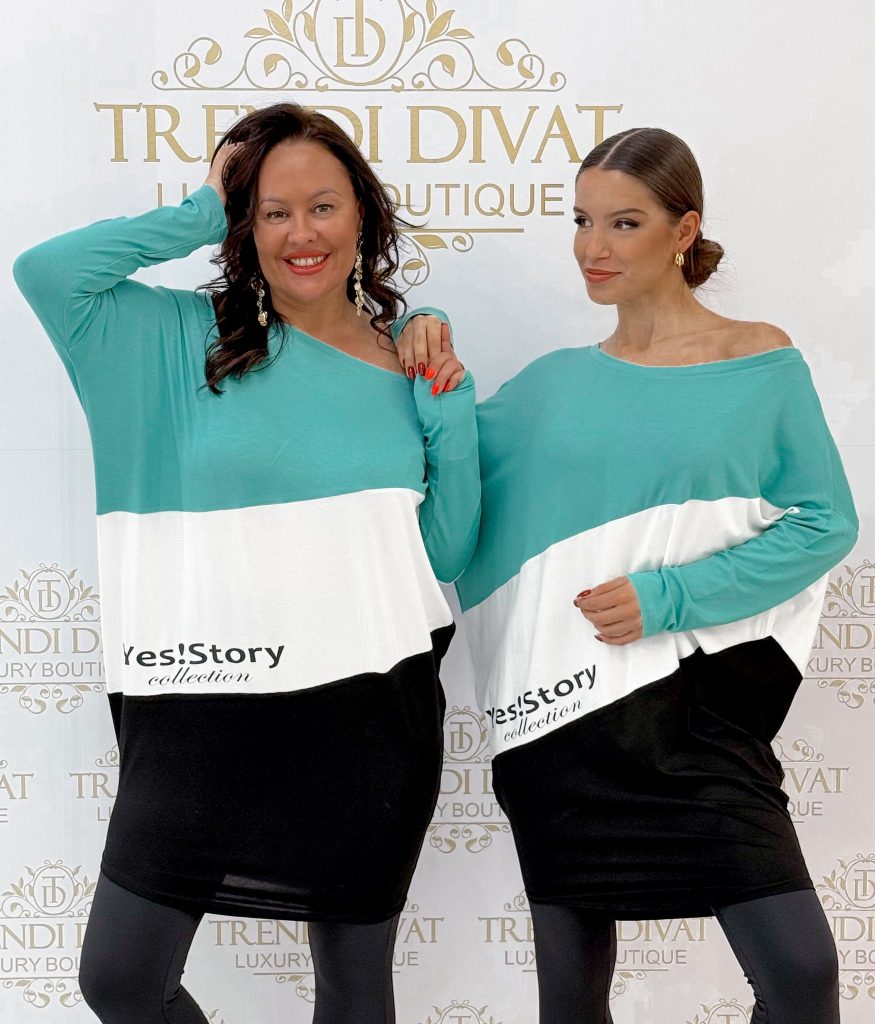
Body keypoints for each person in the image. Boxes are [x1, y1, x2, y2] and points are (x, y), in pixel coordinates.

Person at [13, 102, 479, 1024]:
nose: (302, 233)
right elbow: (48, 272)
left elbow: (447, 552)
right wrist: (200, 206)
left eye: (323, 206)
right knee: (121, 979)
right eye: (272, 211)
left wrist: (446, 412)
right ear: (243, 223)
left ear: (362, 214)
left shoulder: (409, 363)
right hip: (198, 718)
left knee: (353, 990)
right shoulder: (168, 341)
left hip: (367, 715)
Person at [449, 128, 854, 1023]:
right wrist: (416, 356)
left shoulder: (756, 360)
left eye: (623, 222)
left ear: (683, 229)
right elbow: (444, 498)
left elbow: (825, 522)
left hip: (697, 721)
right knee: (571, 1001)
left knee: (800, 976)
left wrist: (667, 597)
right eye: (580, 220)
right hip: (560, 724)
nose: (592, 247)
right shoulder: (548, 388)